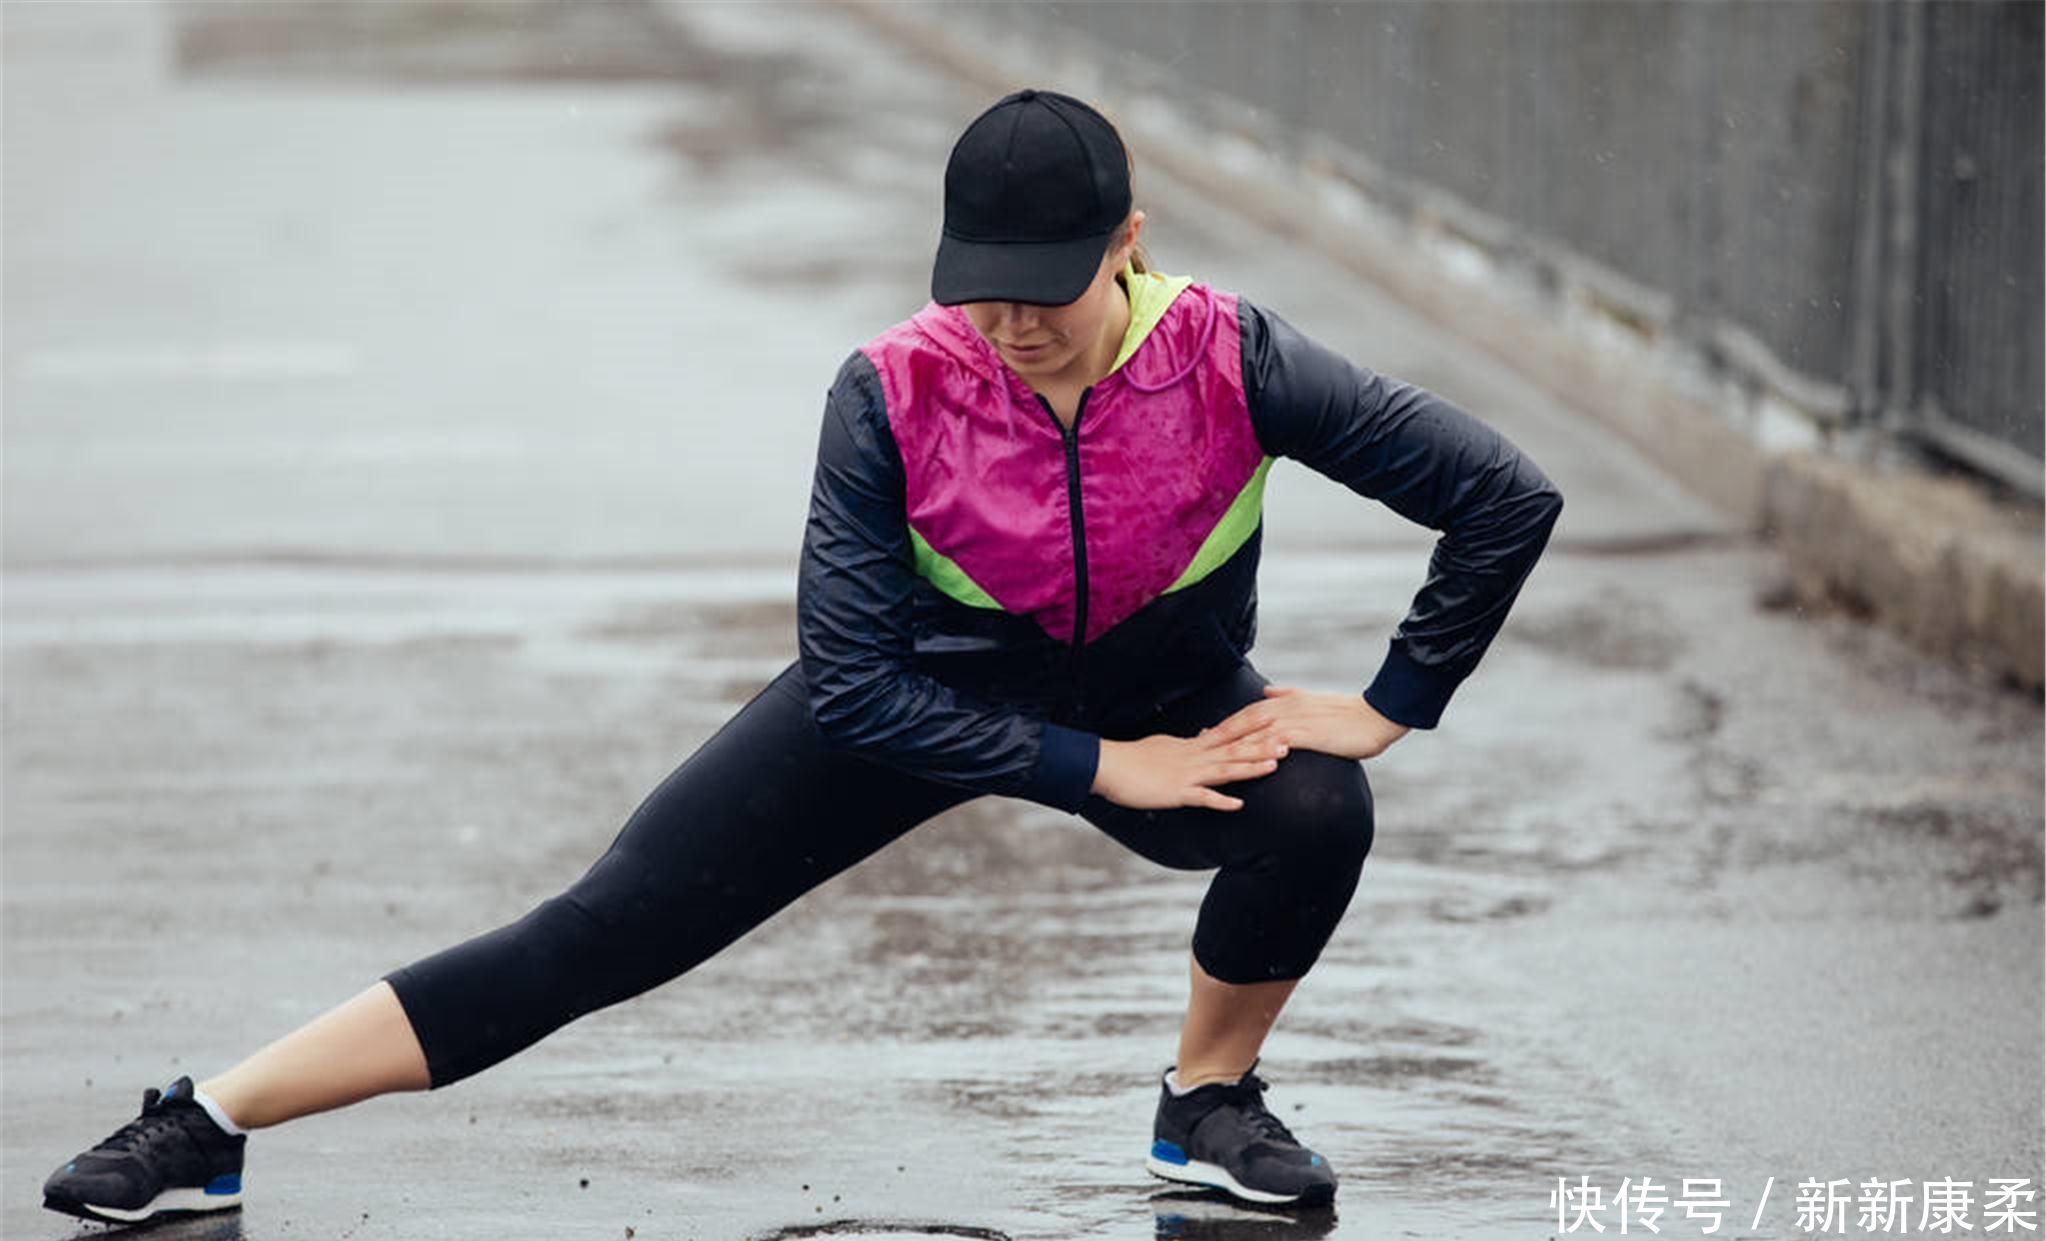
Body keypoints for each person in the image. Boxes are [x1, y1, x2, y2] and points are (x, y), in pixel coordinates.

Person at [41, 88, 1562, 1225]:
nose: (1010, 320)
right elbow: (851, 683)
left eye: (1048, 283)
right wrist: (1100, 765)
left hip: (1156, 689)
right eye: (981, 281)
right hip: (913, 701)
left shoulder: (1231, 356)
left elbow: (1499, 493)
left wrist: (1386, 704)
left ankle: (1204, 1103)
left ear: (1128, 244)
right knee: (601, 932)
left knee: (1315, 804)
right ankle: (210, 1118)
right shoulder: (892, 388)